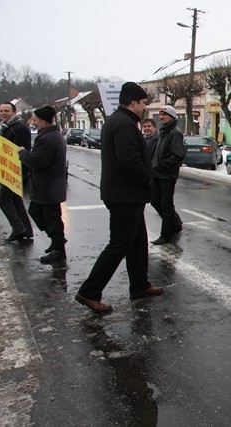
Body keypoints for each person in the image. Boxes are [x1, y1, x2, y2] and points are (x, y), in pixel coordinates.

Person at [76, 82, 164, 314]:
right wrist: (147, 178)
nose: (145, 107)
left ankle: (139, 285)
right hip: (125, 195)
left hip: (126, 194)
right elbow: (128, 160)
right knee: (118, 245)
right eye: (143, 103)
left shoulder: (118, 120)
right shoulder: (124, 123)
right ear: (132, 102)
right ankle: (89, 292)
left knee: (137, 242)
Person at [17, 106, 67, 263]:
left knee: (52, 219)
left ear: (43, 121)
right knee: (38, 212)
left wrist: (23, 153)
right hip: (49, 185)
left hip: (48, 186)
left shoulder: (47, 138)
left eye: (36, 120)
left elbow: (37, 161)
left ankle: (59, 249)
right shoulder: (52, 134)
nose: (34, 122)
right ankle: (57, 241)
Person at [150, 105, 186, 245]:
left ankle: (166, 234)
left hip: (167, 175)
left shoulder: (174, 132)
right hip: (157, 174)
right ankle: (175, 224)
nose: (161, 117)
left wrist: (162, 165)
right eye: (160, 114)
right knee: (154, 201)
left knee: (166, 204)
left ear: (171, 116)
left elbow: (178, 155)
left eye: (164, 114)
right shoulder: (164, 131)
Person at [0, 102, 34, 241]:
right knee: (15, 199)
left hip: (15, 171)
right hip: (7, 170)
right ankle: (26, 230)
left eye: (6, 111)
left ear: (14, 112)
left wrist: (22, 170)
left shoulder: (18, 128)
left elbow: (23, 149)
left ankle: (19, 228)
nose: (3, 113)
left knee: (2, 198)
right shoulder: (6, 127)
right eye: (1, 111)